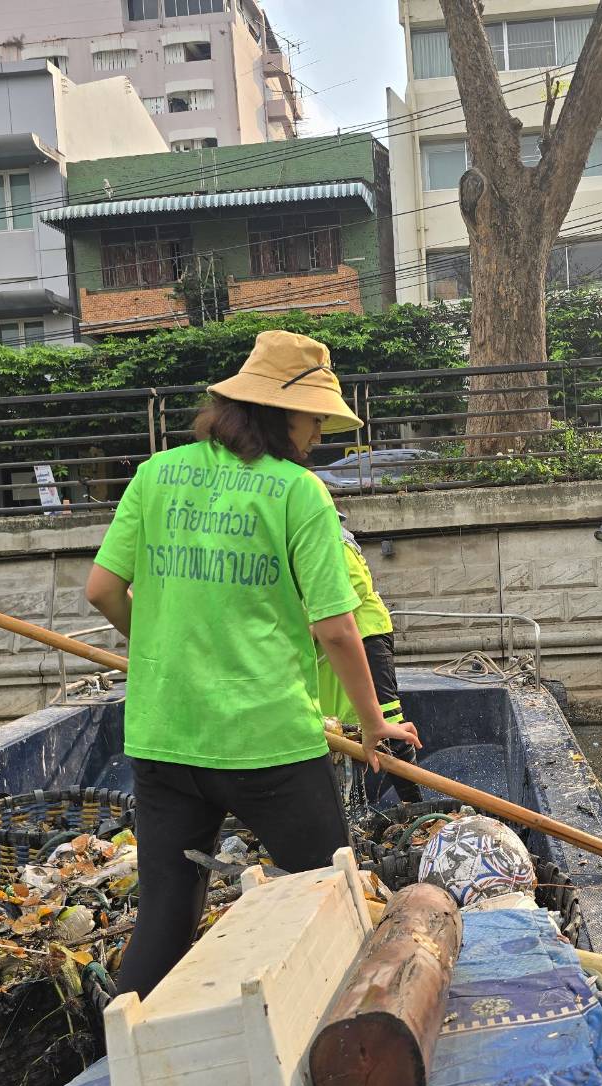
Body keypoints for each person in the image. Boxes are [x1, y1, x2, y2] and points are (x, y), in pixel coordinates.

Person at [85, 329, 420, 999]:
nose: (319, 434)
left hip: (164, 737)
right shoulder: (298, 491)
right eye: (313, 418)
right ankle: (350, 1041)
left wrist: (157, 655)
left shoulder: (156, 474)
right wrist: (372, 723)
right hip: (266, 740)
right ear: (278, 413)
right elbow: (335, 627)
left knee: (165, 917)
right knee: (331, 897)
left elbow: (102, 590)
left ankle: (121, 1051)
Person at [316, 508, 422, 804]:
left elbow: (355, 588)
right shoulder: (314, 543)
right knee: (343, 728)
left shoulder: (334, 542)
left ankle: (415, 807)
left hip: (366, 636)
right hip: (339, 641)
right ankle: (351, 809)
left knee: (388, 721)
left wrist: (312, 625)